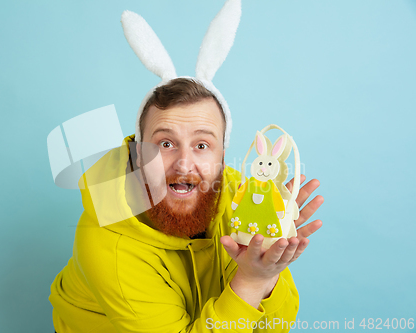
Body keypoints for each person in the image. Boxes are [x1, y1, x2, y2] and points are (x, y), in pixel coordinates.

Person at [49, 78, 324, 332]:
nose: (183, 164)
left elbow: (273, 328)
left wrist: (267, 268)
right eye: (166, 143)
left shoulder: (240, 197)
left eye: (202, 145)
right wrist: (250, 281)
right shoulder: (109, 245)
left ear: (222, 158)